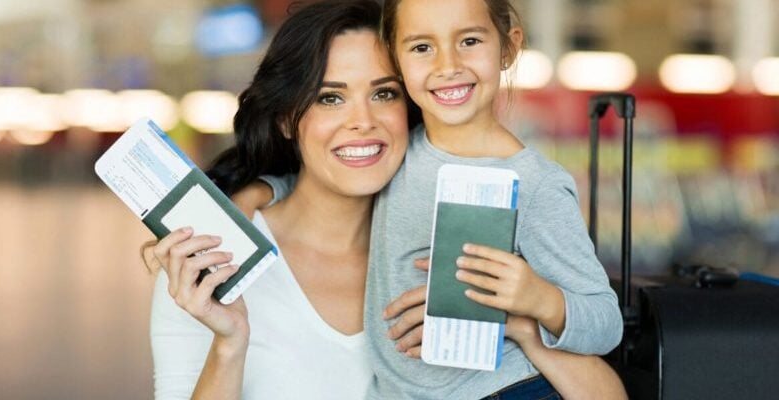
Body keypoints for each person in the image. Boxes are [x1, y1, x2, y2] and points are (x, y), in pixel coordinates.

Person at [146, 0, 626, 399]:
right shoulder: (212, 265)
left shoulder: (493, 194)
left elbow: (601, 358)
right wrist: (230, 339)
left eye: (384, 94)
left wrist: (521, 319)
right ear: (288, 118)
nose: (362, 122)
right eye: (330, 98)